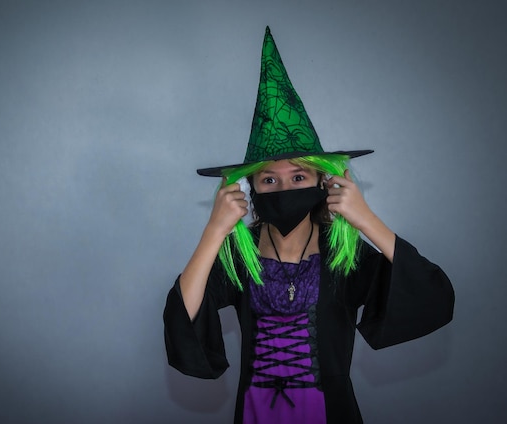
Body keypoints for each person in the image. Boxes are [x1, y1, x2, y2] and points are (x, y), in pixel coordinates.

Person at [163, 27, 454, 424]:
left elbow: (431, 294)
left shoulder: (343, 253)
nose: (283, 187)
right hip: (254, 413)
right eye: (269, 180)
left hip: (332, 411)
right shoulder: (239, 253)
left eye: (298, 177)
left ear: (323, 182)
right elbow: (183, 316)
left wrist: (364, 219)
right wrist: (214, 232)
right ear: (252, 189)